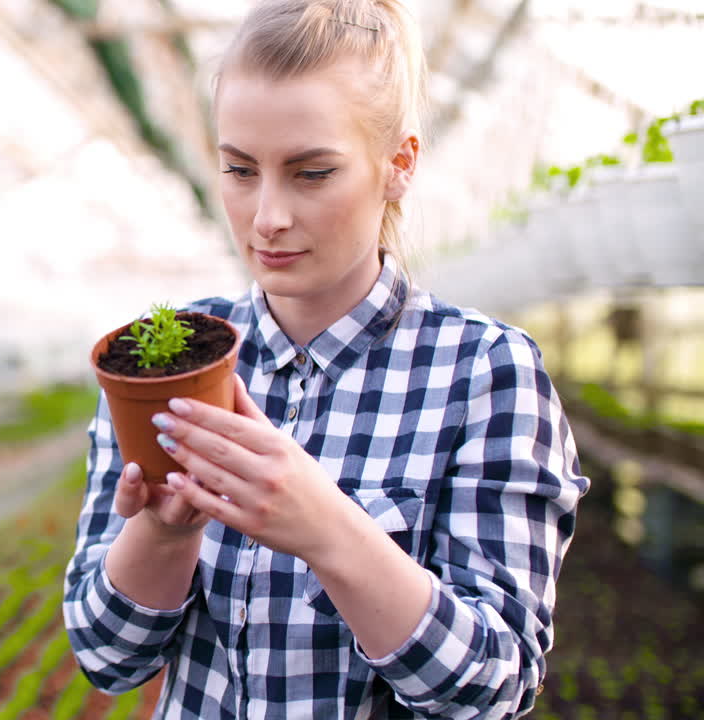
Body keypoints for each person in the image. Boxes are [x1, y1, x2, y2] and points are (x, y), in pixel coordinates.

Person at [61, 1, 590, 718]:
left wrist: (327, 530)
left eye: (311, 174)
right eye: (240, 170)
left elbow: (493, 687)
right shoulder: (165, 367)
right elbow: (106, 657)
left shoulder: (485, 376)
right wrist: (162, 531)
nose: (267, 216)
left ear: (398, 165)